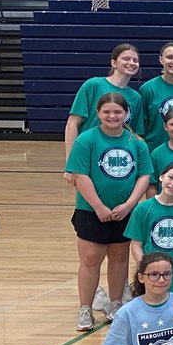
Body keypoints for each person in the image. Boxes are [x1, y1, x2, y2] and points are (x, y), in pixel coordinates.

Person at [66, 91, 154, 330]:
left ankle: (116, 304)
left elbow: (144, 175)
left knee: (119, 258)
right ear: (98, 114)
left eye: (117, 112)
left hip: (124, 213)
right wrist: (99, 207)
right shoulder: (87, 140)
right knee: (91, 259)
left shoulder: (136, 142)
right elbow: (80, 175)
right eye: (107, 112)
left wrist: (129, 205)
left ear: (127, 114)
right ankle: (85, 309)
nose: (112, 116)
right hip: (91, 210)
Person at [64, 44, 143, 174]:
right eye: (126, 59)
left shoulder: (136, 97)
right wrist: (71, 160)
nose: (131, 63)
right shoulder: (93, 85)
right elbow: (73, 123)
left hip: (116, 159)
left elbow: (135, 134)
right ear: (114, 63)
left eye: (135, 60)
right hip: (88, 154)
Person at [125, 161, 173, 264]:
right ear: (161, 177)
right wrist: (145, 269)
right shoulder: (142, 208)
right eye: (171, 177)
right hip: (153, 271)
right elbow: (136, 244)